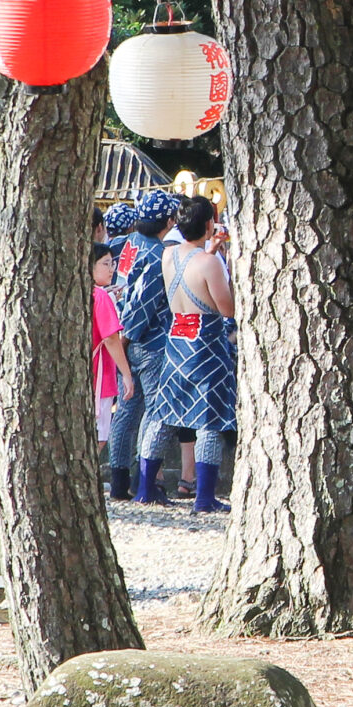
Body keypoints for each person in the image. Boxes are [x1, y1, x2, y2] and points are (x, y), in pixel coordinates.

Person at [155, 195, 236, 514]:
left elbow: (191, 270)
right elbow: (226, 308)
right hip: (206, 340)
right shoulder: (209, 261)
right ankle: (204, 496)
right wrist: (220, 259)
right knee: (209, 418)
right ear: (208, 224)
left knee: (163, 411)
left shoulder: (169, 254)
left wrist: (211, 249)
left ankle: (146, 486)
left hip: (177, 336)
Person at [112, 190, 182, 503]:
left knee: (126, 413)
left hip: (122, 337)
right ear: (169, 221)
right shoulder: (157, 256)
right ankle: (145, 484)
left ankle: (118, 480)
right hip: (149, 341)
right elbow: (142, 306)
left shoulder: (129, 246)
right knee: (154, 412)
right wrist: (125, 339)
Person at [91, 243, 132, 468]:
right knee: (99, 436)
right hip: (101, 376)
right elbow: (111, 338)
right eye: (105, 264)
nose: (111, 269)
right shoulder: (101, 297)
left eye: (112, 264)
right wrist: (126, 374)